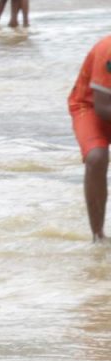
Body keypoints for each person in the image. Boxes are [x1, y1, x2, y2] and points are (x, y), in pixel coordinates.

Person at [67, 35, 111, 242]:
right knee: (96, 157)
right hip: (90, 106)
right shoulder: (108, 50)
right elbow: (103, 108)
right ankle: (98, 235)